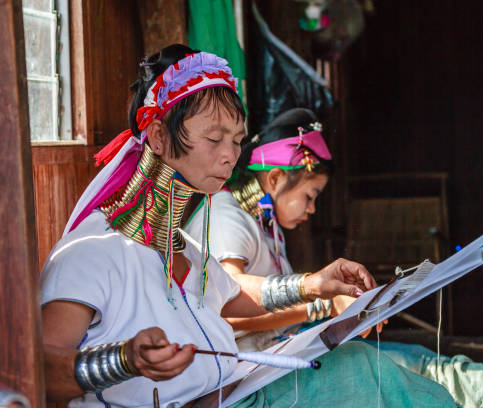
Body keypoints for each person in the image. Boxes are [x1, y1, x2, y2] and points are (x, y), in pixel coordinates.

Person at [40, 44, 459, 407]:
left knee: (362, 368)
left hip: (234, 394)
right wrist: (125, 360)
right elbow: (41, 368)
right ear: (158, 137)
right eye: (214, 138)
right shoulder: (91, 252)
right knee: (365, 375)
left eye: (237, 140)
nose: (230, 155)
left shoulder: (183, 248)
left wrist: (317, 285)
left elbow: (234, 294)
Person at [185, 108, 483, 408]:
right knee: (390, 370)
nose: (313, 209)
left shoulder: (263, 228)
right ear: (275, 178)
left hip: (279, 358)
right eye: (310, 196)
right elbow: (226, 308)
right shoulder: (226, 215)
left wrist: (341, 312)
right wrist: (320, 302)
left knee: (417, 362)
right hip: (251, 381)